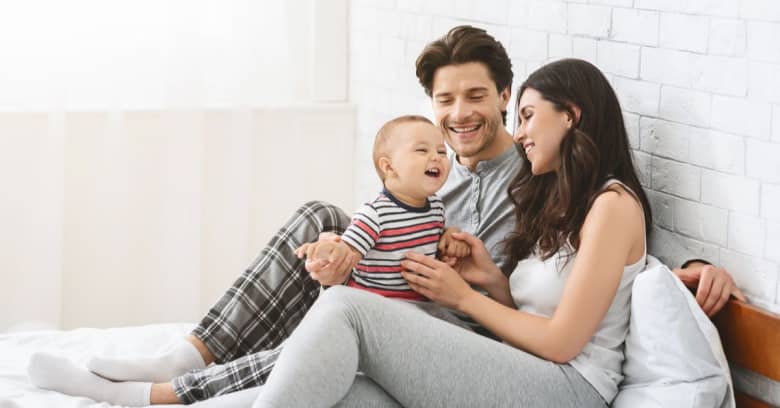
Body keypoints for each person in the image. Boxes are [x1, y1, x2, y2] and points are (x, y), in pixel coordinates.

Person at [27, 26, 745, 406]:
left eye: (516, 111)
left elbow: (584, 313)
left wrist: (690, 273)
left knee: (349, 314)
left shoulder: (563, 188)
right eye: (443, 103)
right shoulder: (551, 193)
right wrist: (481, 276)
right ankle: (189, 356)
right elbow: (596, 276)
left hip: (513, 359)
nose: (508, 127)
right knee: (345, 354)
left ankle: (160, 394)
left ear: (514, 103)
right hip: (477, 333)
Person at [295, 114, 469, 302]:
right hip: (373, 304)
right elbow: (348, 252)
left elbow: (432, 244)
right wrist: (329, 250)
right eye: (421, 150)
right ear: (389, 167)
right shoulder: (375, 214)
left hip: (419, 307)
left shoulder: (436, 206)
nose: (436, 157)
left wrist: (450, 237)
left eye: (442, 152)